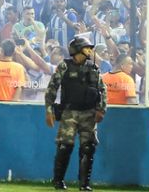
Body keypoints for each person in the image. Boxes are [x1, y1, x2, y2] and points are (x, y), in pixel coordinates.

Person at [44, 36, 107, 191]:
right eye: (86, 47)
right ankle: (58, 181)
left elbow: (102, 90)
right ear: (77, 49)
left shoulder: (93, 68)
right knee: (64, 146)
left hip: (89, 114)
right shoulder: (64, 66)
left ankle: (84, 184)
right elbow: (52, 88)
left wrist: (101, 109)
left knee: (88, 148)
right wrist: (49, 110)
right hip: (69, 113)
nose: (90, 50)